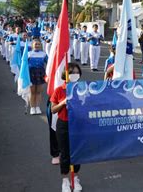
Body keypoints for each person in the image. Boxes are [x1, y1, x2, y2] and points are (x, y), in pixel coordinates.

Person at [51, 63, 83, 192]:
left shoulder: (82, 88)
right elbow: (53, 109)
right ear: (66, 75)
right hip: (64, 124)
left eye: (76, 72)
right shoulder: (59, 90)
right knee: (65, 154)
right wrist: (63, 102)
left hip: (78, 124)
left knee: (77, 152)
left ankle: (75, 178)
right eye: (71, 72)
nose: (74, 74)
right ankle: (65, 181)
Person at [28, 39, 48, 115]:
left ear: (40, 45)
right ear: (32, 45)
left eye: (38, 44)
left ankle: (37, 107)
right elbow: (23, 65)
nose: (37, 45)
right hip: (31, 73)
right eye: (35, 44)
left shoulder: (44, 54)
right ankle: (32, 107)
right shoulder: (28, 54)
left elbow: (49, 63)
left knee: (39, 92)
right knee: (32, 92)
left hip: (40, 73)